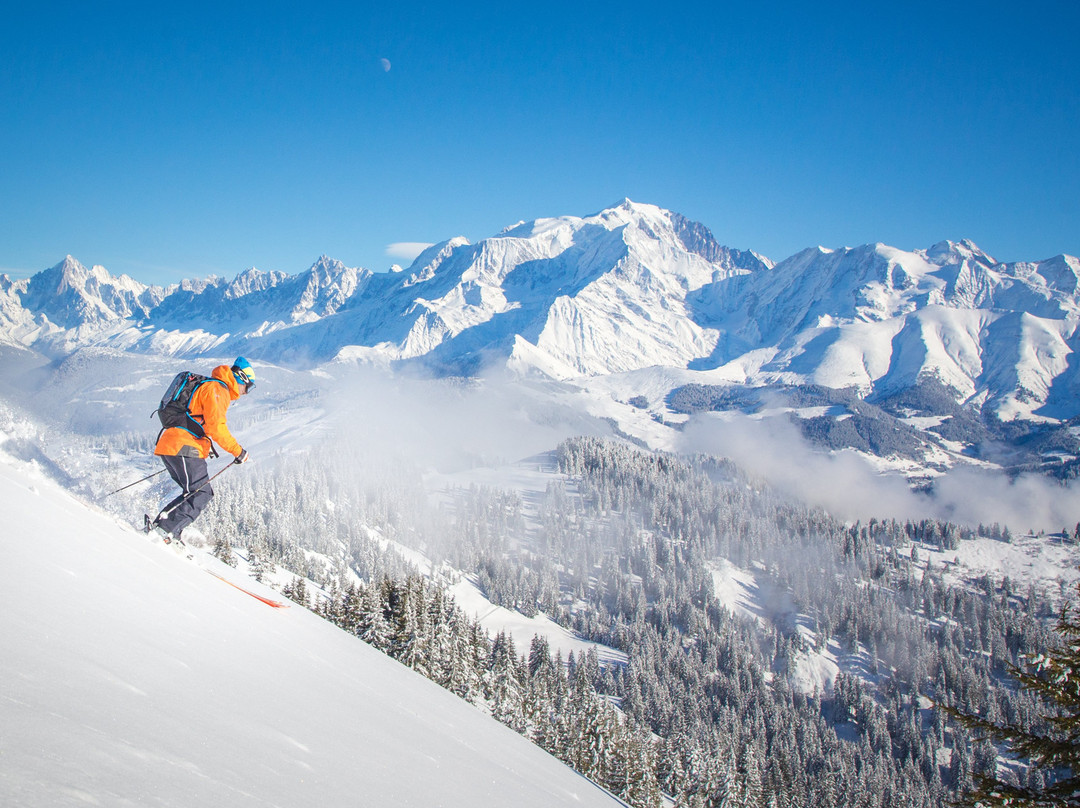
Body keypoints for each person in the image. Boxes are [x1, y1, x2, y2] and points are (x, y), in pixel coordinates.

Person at [149, 357, 255, 542]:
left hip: (175, 445)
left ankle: (165, 530)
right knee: (201, 493)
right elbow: (216, 427)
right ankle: (163, 532)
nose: (246, 392)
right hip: (184, 446)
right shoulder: (218, 390)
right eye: (249, 386)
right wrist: (238, 451)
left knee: (194, 493)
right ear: (240, 378)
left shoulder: (213, 387)